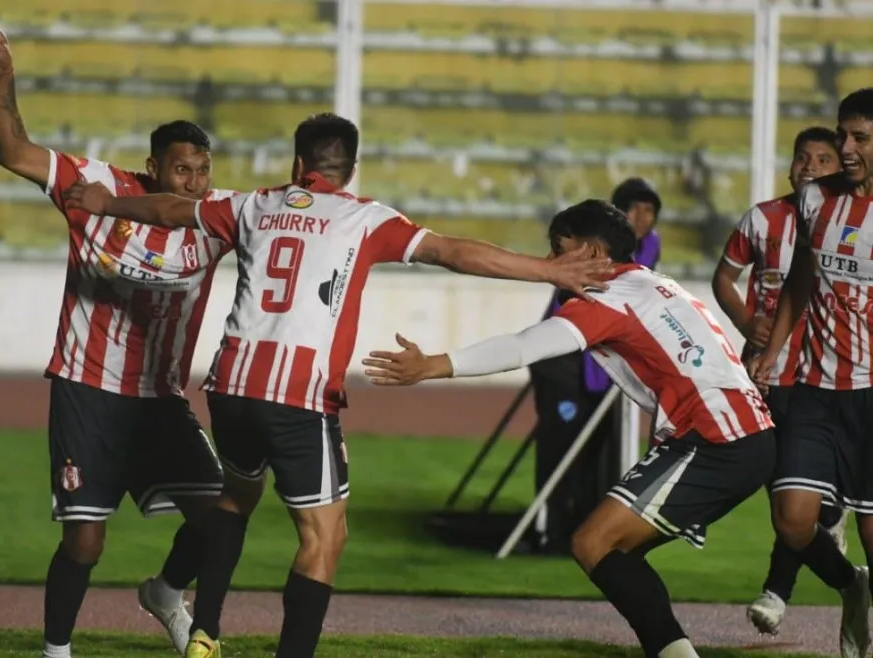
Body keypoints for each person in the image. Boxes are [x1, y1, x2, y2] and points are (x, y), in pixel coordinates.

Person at [61, 112, 614, 658]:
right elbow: (452, 250)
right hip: (299, 394)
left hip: (231, 384)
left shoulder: (252, 204)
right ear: (349, 168)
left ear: (298, 163)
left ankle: (203, 630)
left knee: (237, 494)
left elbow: (172, 210)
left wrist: (108, 204)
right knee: (324, 538)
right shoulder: (365, 219)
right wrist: (548, 271)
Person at [362, 199, 777, 658]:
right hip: (741, 433)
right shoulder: (653, 284)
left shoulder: (607, 297)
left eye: (558, 251)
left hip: (714, 438)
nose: (548, 266)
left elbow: (525, 346)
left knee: (593, 542)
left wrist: (434, 365)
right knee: (615, 551)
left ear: (594, 255)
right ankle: (845, 581)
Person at [0, 10, 232, 657]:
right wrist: (5, 78)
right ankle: (56, 651)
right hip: (87, 391)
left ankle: (168, 593)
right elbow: (14, 152)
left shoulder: (217, 219)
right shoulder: (99, 187)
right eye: (182, 171)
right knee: (85, 541)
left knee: (221, 516)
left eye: (202, 170)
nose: (195, 182)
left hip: (162, 400)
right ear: (152, 166)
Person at [752, 88, 873, 657]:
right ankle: (852, 588)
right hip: (814, 389)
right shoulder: (815, 201)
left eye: (860, 139)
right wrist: (773, 352)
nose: (845, 148)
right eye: (842, 135)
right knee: (794, 523)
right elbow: (802, 277)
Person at [711, 126, 846, 635]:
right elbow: (724, 277)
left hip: (821, 374)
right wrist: (747, 323)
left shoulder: (846, 222)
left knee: (791, 494)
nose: (810, 166)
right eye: (802, 157)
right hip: (763, 372)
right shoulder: (763, 219)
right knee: (782, 495)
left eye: (823, 158)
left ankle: (776, 591)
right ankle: (833, 535)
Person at [529, 177, 663, 553]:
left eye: (649, 210)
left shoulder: (649, 247)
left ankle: (583, 526)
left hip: (603, 367)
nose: (642, 217)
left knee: (595, 451)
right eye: (633, 208)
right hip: (565, 360)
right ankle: (549, 528)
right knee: (559, 447)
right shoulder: (589, 247)